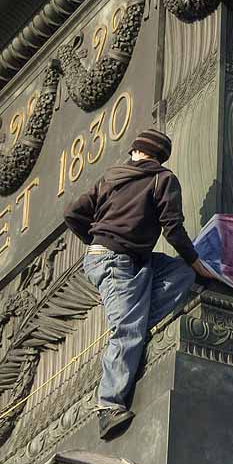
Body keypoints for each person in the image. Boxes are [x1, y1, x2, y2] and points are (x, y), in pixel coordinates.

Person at [64, 128, 215, 440]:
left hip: (119, 258)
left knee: (179, 274)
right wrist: (197, 261)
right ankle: (108, 407)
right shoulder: (163, 178)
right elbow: (172, 228)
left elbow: (73, 213)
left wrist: (96, 240)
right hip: (119, 261)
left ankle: (140, 321)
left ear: (136, 151)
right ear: (160, 156)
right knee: (127, 331)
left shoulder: (111, 175)